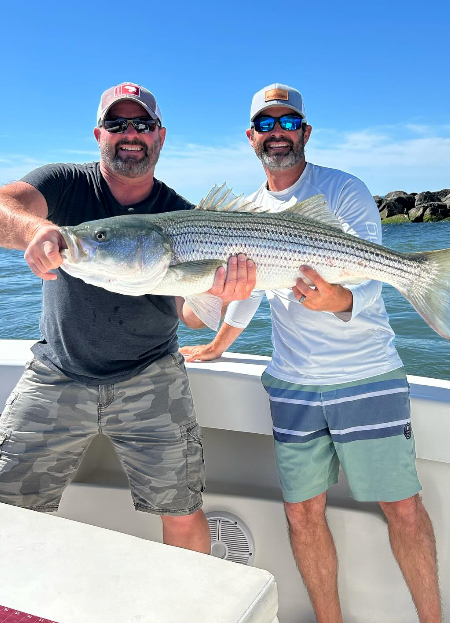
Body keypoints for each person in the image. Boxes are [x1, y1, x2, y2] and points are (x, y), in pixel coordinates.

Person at [180, 83, 442, 620]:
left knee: (403, 509)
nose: (278, 133)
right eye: (267, 124)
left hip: (366, 375)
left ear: (306, 131)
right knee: (301, 514)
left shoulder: (345, 189)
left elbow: (370, 269)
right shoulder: (245, 211)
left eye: (289, 122)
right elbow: (245, 294)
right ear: (252, 137)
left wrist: (338, 299)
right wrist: (219, 341)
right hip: (293, 384)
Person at [0, 81, 255, 554]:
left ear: (160, 136)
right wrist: (40, 230)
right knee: (5, 505)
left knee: (180, 509)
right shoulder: (64, 183)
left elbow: (194, 320)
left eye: (142, 124)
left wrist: (222, 295)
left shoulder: (182, 215)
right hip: (57, 371)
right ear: (99, 134)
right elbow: (3, 206)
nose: (130, 133)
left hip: (152, 376)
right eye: (117, 124)